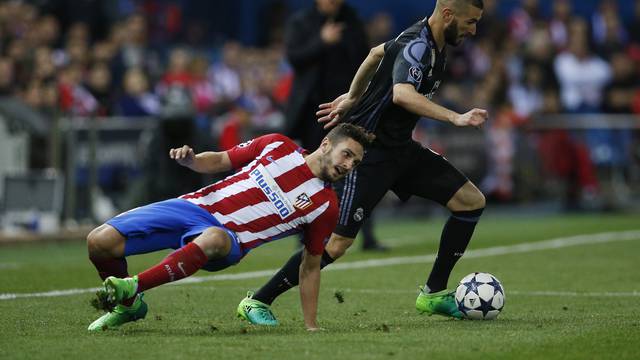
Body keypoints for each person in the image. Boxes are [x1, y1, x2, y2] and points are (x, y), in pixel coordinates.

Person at [237, 0, 487, 325]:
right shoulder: (418, 46)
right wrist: (455, 117)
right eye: (470, 22)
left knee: (471, 202)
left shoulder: (428, 41)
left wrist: (354, 95)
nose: (474, 30)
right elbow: (402, 94)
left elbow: (374, 53)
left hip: (401, 150)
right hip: (368, 152)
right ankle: (257, 300)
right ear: (449, 15)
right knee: (337, 243)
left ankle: (433, 294)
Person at [86, 123, 374, 332]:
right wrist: (193, 161)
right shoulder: (277, 145)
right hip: (192, 207)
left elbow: (310, 266)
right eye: (347, 154)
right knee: (99, 241)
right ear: (326, 144)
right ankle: (130, 306)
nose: (349, 165)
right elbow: (223, 159)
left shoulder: (326, 206)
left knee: (213, 237)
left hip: (229, 241)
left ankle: (132, 286)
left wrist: (311, 325)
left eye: (356, 162)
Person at [284, 0, 386, 251]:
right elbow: (294, 58)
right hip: (315, 111)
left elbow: (367, 59)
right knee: (314, 171)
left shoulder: (352, 20)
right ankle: (306, 235)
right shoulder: (302, 21)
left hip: (348, 108)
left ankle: (366, 235)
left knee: (359, 170)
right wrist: (321, 41)